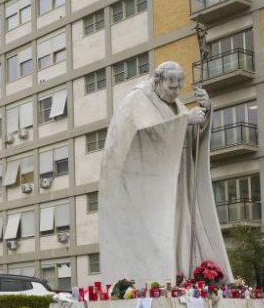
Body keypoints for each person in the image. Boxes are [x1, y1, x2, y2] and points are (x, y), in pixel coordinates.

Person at [98, 61, 231, 285]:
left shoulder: (174, 104)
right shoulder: (137, 100)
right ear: (158, 81)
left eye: (180, 88)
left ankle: (183, 273)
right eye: (171, 88)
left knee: (181, 229)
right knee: (165, 232)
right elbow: (141, 137)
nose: (176, 93)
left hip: (177, 181)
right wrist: (185, 121)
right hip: (149, 190)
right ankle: (165, 277)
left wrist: (205, 113)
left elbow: (188, 138)